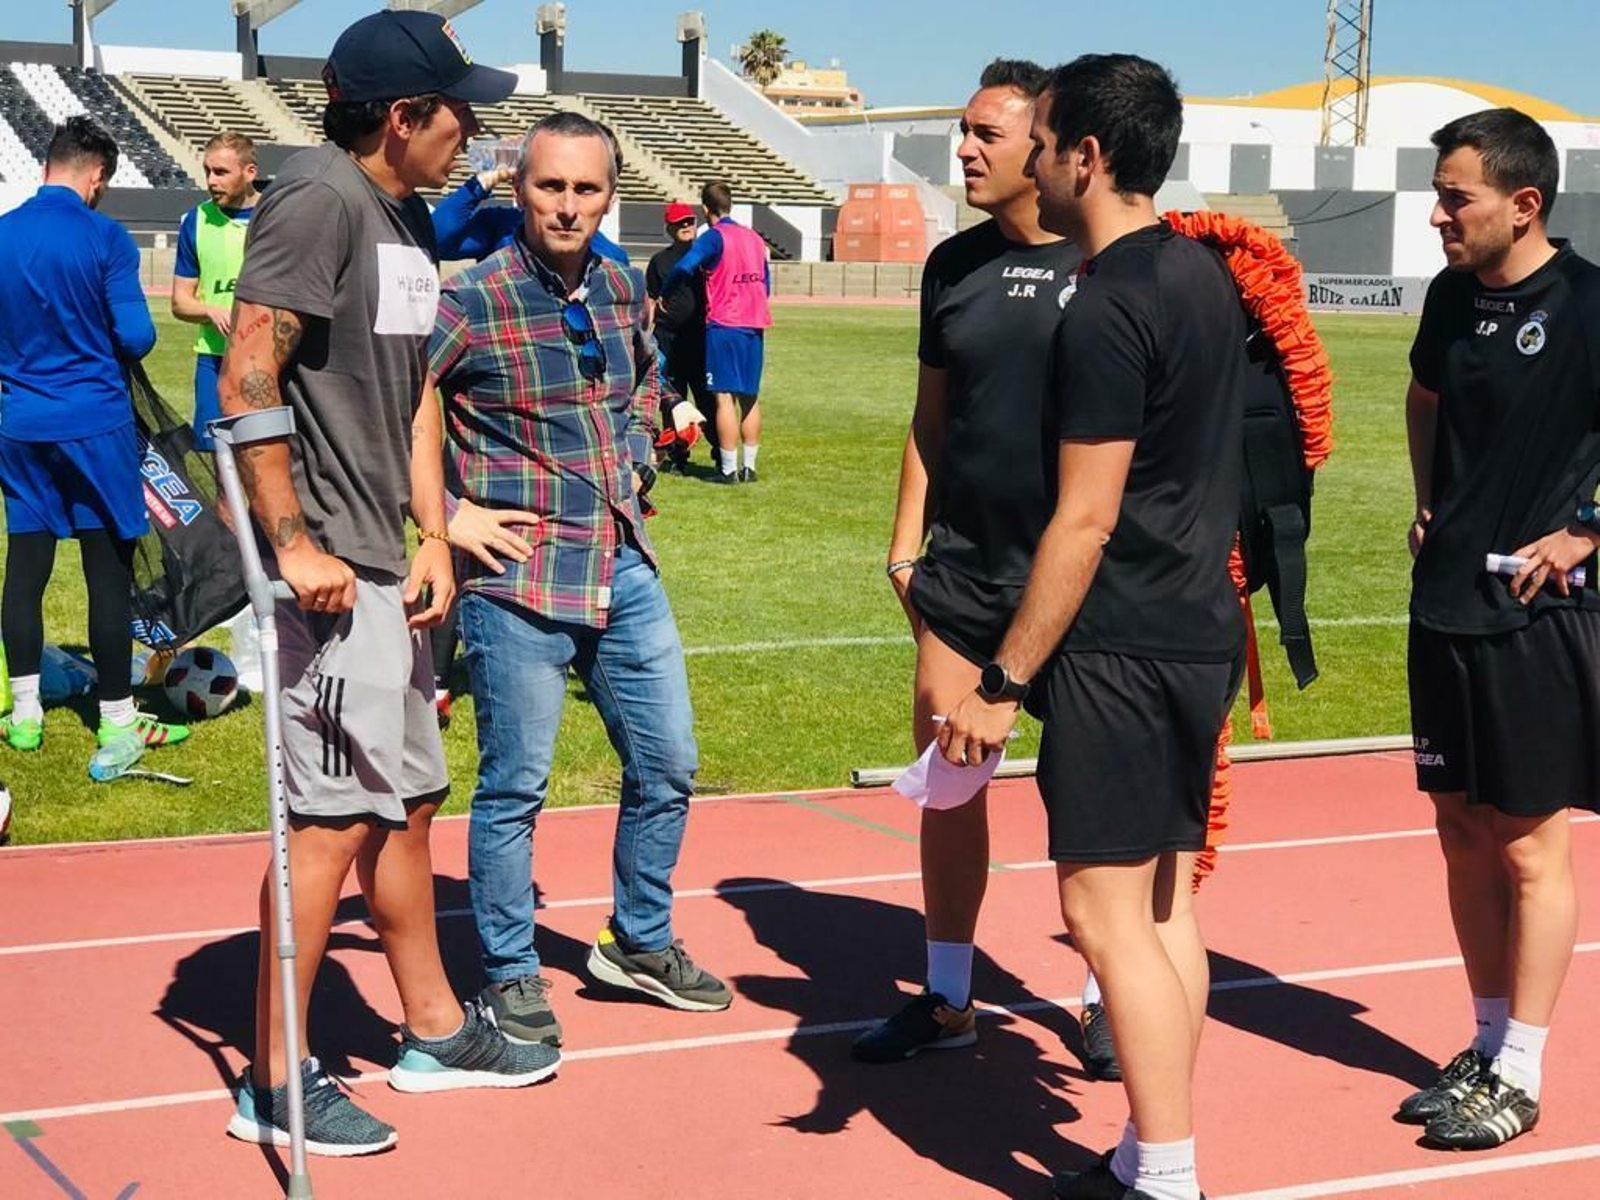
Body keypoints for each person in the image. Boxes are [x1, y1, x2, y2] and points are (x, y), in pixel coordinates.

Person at [217, 10, 558, 1159]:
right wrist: (292, 545)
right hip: (325, 571)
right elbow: (247, 368)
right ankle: (274, 1079)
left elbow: (414, 390)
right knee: (325, 825)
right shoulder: (317, 198)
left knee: (407, 801)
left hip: (387, 559)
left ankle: (434, 1031)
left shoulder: (402, 212)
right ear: (404, 116)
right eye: (459, 109)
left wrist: (434, 528)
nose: (473, 127)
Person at [938, 56, 1247, 1200]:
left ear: (1087, 156)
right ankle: (1147, 1152)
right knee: (1164, 906)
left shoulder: (1107, 302)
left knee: (1101, 914)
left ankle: (1163, 1174)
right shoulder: (1200, 274)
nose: (1029, 157)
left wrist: (1001, 683)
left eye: (1043, 138)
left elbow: (1083, 518)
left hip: (1120, 642)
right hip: (1195, 627)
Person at [429, 110, 732, 1050]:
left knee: (668, 763)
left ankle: (638, 941)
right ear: (520, 188)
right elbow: (389, 406)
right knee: (514, 787)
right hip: (517, 579)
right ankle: (510, 971)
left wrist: (637, 456)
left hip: (621, 562)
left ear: (610, 197)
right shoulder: (470, 298)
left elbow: (642, 384)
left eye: (586, 189)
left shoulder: (619, 284)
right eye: (550, 186)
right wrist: (448, 515)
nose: (567, 205)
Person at [850, 60, 1080, 1065]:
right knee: (947, 781)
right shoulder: (952, 266)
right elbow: (930, 418)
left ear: (1048, 144)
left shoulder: (1110, 263)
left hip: (1081, 577)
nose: (966, 148)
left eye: (989, 133)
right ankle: (947, 999)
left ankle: (1101, 994)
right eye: (965, 129)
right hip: (965, 571)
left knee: (1091, 797)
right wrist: (905, 547)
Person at [1396, 107, 1598, 1151]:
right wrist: (1428, 497)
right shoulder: (1448, 296)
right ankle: (1481, 1043)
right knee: (1459, 830)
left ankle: (1521, 1066)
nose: (1438, 215)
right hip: (1442, 600)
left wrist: (1586, 528)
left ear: (1523, 204)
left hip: (1533, 611)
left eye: (1454, 197)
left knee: (1526, 843)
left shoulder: (1590, 303)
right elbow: (1423, 397)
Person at [0, 116, 189, 770]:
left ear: (46, 167)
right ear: (97, 177)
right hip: (95, 423)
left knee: (25, 568)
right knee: (106, 574)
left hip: (21, 424)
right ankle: (116, 722)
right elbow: (137, 337)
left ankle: (25, 715)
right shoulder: (105, 236)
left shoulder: (2, 232)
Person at [661, 179, 772, 483]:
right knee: (750, 397)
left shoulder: (714, 237)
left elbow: (684, 267)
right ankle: (750, 467)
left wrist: (666, 293)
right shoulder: (754, 237)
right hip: (755, 322)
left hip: (725, 323)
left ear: (705, 208)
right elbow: (765, 281)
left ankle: (728, 469)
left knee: (723, 399)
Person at [170, 131, 260, 451]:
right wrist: (210, 310)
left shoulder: (278, 215)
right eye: (207, 171)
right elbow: (180, 301)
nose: (211, 181)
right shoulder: (196, 221)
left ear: (250, 172)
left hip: (268, 357)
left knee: (270, 459)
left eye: (221, 172)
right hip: (214, 359)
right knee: (221, 460)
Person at [645, 201, 712, 471]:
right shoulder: (659, 261)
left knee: (707, 397)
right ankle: (677, 456)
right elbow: (652, 298)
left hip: (699, 338)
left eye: (689, 221)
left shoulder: (705, 257)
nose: (686, 226)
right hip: (668, 338)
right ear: (669, 228)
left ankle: (721, 452)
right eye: (680, 223)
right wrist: (646, 336)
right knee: (672, 401)